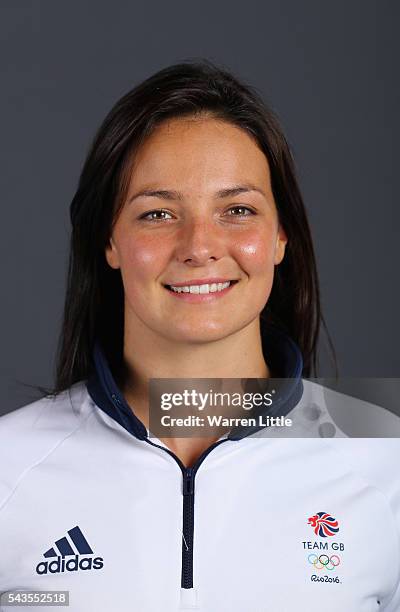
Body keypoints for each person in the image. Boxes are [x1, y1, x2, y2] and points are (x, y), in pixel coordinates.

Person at [0, 61, 399, 612]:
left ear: (281, 236)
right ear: (109, 242)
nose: (199, 245)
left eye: (237, 209)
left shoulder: (384, 460)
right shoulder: (10, 467)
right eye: (158, 213)